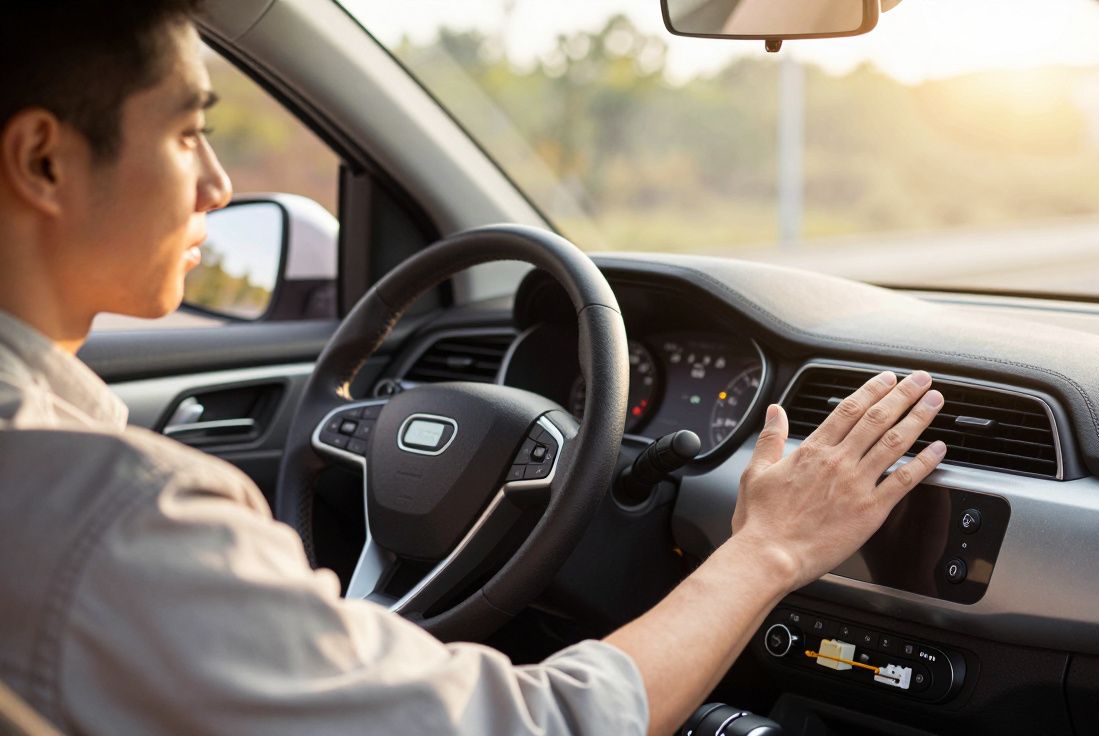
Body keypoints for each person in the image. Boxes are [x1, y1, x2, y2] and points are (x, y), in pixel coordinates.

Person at [0, 2, 948, 734]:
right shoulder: (116, 515)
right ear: (43, 161)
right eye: (186, 132)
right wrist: (768, 550)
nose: (217, 182)